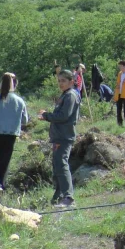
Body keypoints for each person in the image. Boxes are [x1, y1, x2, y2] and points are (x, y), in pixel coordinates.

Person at [39, 70, 81, 208]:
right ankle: (58, 196)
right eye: (59, 81)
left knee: (61, 165)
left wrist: (46, 116)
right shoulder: (65, 95)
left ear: (71, 81)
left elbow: (63, 116)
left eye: (63, 81)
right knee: (57, 166)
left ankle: (68, 198)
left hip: (64, 136)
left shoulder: (70, 96)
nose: (60, 83)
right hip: (59, 136)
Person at [0, 73, 28, 199]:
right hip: (11, 135)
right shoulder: (20, 101)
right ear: (15, 84)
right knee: (4, 163)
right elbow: (25, 120)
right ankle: (0, 188)